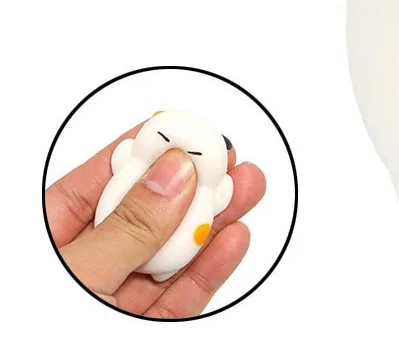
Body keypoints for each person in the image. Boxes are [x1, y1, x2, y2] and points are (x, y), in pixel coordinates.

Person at [44, 122, 266, 319]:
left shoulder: (206, 188)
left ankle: (165, 270)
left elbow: (219, 196)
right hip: (149, 255)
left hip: (164, 258)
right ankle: (164, 271)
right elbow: (221, 197)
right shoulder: (139, 162)